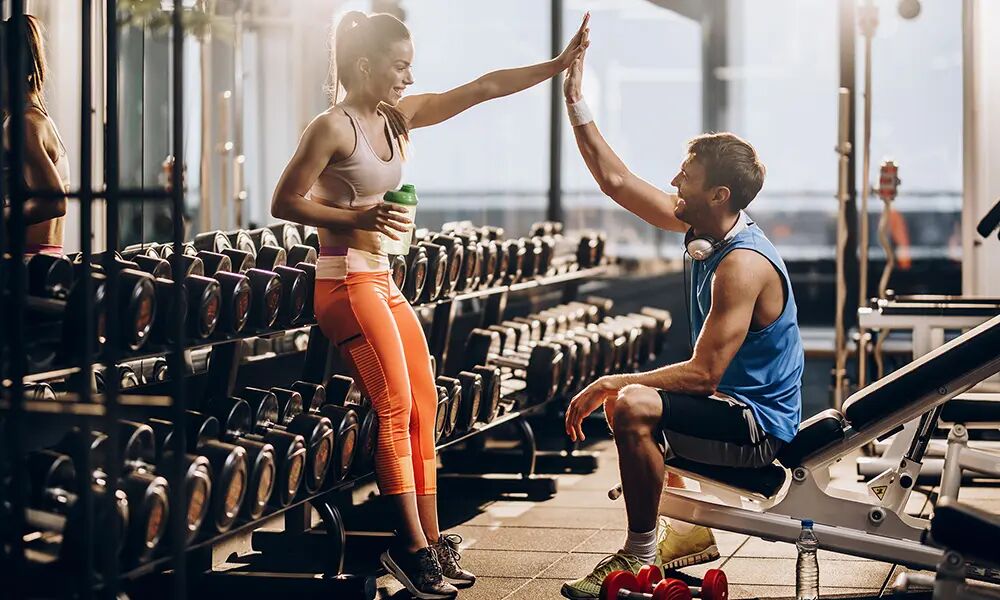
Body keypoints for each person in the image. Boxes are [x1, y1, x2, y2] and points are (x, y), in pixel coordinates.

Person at [270, 10, 590, 599]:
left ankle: (432, 540)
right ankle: (409, 548)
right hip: (343, 282)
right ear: (365, 65)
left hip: (383, 278)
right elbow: (283, 201)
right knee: (393, 405)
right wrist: (356, 217)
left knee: (425, 401)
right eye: (399, 66)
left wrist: (556, 64)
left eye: (411, 67)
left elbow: (481, 88)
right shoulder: (332, 127)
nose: (408, 79)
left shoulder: (396, 118)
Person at [558, 34, 804, 600]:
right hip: (726, 407)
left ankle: (640, 555)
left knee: (635, 403)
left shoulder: (741, 266)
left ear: (719, 194)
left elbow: (702, 377)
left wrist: (608, 382)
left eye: (685, 176)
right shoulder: (705, 234)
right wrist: (576, 101)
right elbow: (618, 182)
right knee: (642, 400)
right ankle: (684, 538)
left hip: (756, 426)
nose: (672, 183)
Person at [2, 15, 70, 255]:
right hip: (45, 265)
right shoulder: (40, 120)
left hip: (23, 271)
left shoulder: (20, 124)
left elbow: (54, 201)